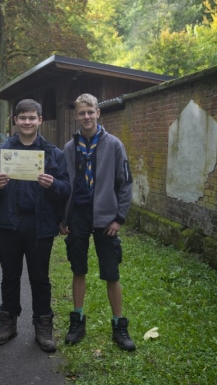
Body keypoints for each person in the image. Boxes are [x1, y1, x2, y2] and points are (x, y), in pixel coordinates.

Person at [0, 99, 71, 353]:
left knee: (40, 279)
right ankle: (8, 323)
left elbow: (66, 189)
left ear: (40, 120)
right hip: (9, 225)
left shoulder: (52, 153)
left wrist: (52, 184)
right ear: (15, 120)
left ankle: (43, 326)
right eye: (22, 118)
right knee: (10, 277)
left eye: (32, 118)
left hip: (39, 226)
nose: (27, 122)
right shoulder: (3, 152)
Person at [59, 93, 135, 351]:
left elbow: (125, 184)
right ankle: (77, 321)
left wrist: (119, 218)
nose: (87, 116)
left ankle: (119, 326)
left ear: (98, 113)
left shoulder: (114, 145)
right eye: (82, 113)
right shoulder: (70, 148)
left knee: (111, 273)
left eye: (90, 111)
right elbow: (65, 185)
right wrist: (63, 217)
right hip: (78, 214)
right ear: (76, 116)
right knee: (78, 268)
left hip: (105, 217)